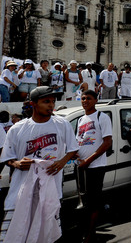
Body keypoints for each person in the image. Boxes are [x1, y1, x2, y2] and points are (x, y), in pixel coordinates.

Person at [0, 86, 78, 242]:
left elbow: (73, 149)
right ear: (33, 103)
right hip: (20, 193)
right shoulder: (17, 129)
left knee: (46, 236)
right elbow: (7, 158)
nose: (51, 105)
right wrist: (17, 164)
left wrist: (61, 163)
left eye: (53, 101)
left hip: (50, 192)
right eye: (46, 101)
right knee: (13, 235)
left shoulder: (62, 124)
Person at [76, 89, 113, 243]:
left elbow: (107, 143)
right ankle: (86, 230)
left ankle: (91, 234)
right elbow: (79, 140)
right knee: (83, 202)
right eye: (83, 98)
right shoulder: (80, 120)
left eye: (89, 98)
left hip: (95, 166)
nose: (85, 101)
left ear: (96, 100)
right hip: (82, 167)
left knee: (93, 202)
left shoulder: (101, 117)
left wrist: (88, 161)